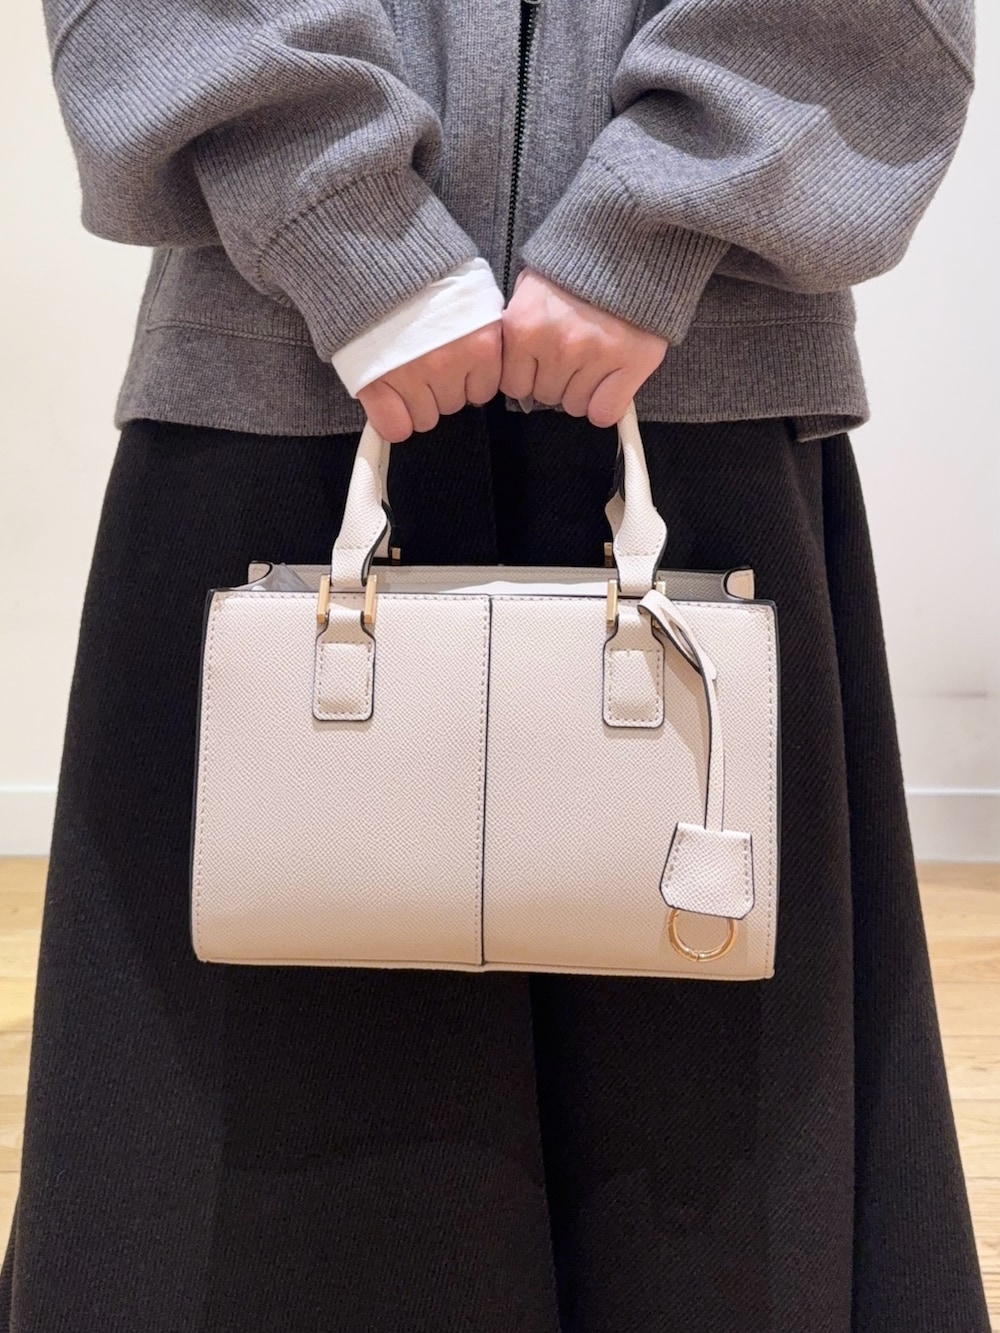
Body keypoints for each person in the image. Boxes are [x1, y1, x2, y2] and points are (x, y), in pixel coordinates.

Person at [0, 0, 989, 1328]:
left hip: (695, 370)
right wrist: (346, 224)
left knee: (695, 1123)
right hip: (285, 358)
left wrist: (662, 217)